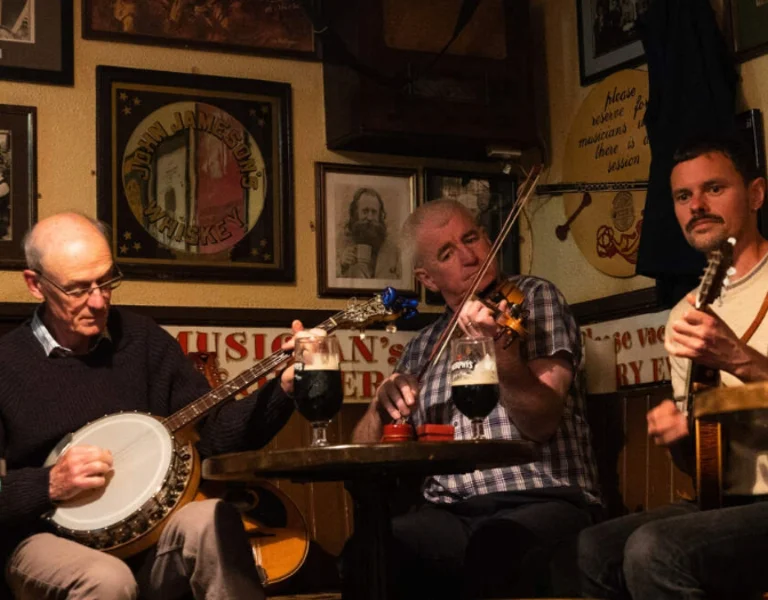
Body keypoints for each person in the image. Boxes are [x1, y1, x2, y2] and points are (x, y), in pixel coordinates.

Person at [0, 212, 303, 599]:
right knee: (108, 580)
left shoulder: (143, 341)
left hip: (151, 533)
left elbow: (213, 434)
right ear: (35, 285)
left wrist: (283, 389)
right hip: (43, 537)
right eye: (78, 289)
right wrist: (48, 484)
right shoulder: (6, 363)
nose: (98, 301)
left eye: (106, 281)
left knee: (212, 518)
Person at [350, 199, 600, 599]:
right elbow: (364, 454)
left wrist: (498, 352)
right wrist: (379, 406)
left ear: (487, 237)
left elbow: (542, 421)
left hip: (543, 498)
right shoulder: (424, 345)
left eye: (471, 238)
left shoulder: (535, 301)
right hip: (451, 512)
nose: (470, 257)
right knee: (374, 548)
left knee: (495, 547)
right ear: (428, 279)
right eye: (448, 253)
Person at [578, 133, 768, 600]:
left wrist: (739, 359)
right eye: (683, 196)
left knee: (654, 549)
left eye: (714, 189)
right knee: (595, 547)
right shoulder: (685, 315)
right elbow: (703, 467)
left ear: (757, 194)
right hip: (726, 503)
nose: (696, 205)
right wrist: (681, 436)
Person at [336, 187, 401, 280]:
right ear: (356, 213)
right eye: (365, 211)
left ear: (379, 216)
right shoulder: (341, 245)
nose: (370, 217)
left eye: (374, 212)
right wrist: (342, 265)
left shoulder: (393, 251)